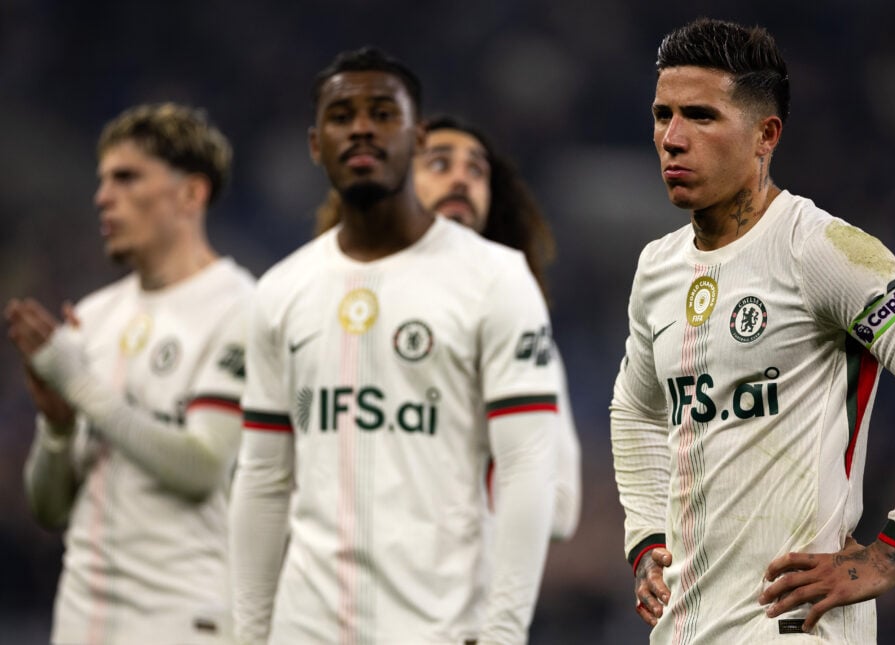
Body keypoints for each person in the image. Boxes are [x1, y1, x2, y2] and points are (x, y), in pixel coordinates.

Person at [610, 17, 895, 644]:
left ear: (766, 134)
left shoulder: (818, 249)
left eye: (701, 116)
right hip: (687, 629)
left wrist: (889, 552)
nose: (672, 138)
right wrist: (645, 541)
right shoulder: (657, 267)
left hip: (796, 628)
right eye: (663, 115)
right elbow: (634, 407)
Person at [230, 47, 559, 645]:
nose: (361, 126)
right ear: (314, 143)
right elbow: (262, 478)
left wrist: (504, 634)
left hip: (437, 627)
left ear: (417, 135)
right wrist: (250, 636)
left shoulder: (497, 279)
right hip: (306, 628)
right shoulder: (281, 290)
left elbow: (528, 470)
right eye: (341, 115)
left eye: (383, 112)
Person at [5, 103, 254, 643]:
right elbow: (48, 510)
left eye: (126, 178)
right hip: (79, 621)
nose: (102, 197)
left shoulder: (240, 309)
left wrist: (80, 385)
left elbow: (203, 465)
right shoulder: (92, 318)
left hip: (183, 621)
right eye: (101, 181)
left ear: (191, 194)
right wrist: (58, 426)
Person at [313, 114, 583, 541]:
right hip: (337, 590)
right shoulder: (321, 308)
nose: (461, 178)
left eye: (476, 170)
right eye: (439, 163)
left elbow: (561, 508)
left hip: (462, 597)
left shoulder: (515, 325)